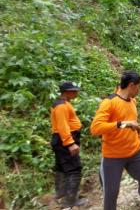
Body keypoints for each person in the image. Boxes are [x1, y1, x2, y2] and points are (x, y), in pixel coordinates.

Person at [91, 71, 140, 210]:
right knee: (111, 193)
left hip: (135, 151)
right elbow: (95, 128)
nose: (139, 90)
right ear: (131, 85)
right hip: (113, 156)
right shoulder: (109, 103)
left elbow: (133, 123)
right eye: (139, 87)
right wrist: (122, 124)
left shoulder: (133, 101)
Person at [50, 81, 88, 209]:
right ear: (66, 92)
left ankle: (60, 196)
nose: (76, 93)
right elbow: (62, 126)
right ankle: (70, 201)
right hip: (64, 141)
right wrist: (70, 143)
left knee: (62, 168)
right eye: (73, 91)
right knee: (74, 169)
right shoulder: (61, 106)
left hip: (61, 141)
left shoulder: (63, 104)